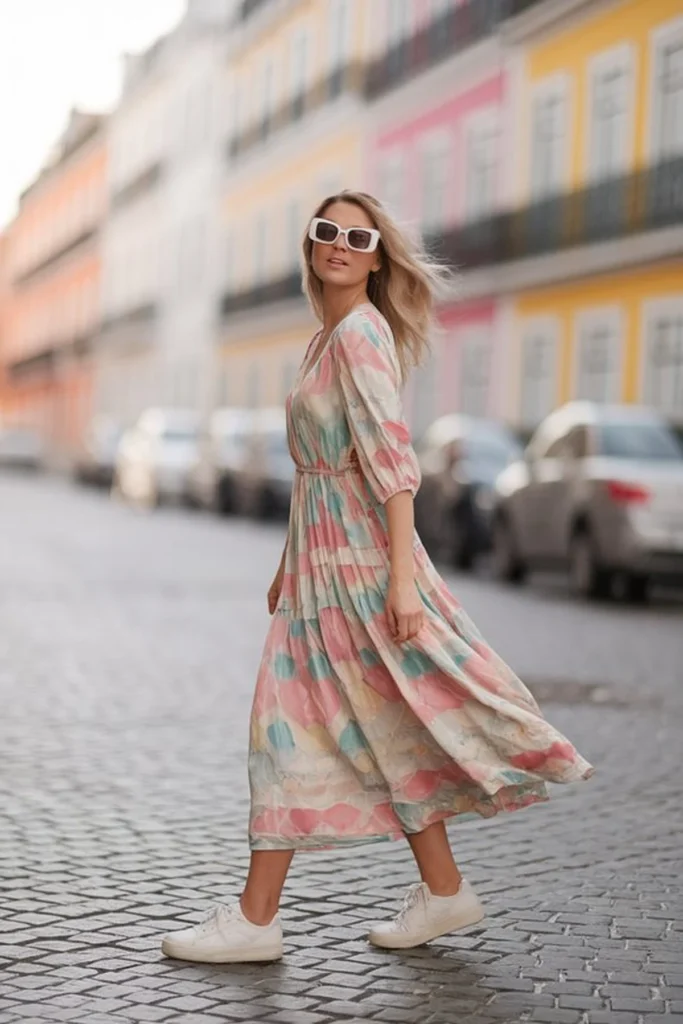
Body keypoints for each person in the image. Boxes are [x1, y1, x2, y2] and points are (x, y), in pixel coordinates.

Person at [161, 190, 593, 964]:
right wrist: (287, 564)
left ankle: (258, 919)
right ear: (311, 245)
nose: (340, 244)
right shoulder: (322, 341)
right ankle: (443, 890)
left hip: (359, 567)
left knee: (282, 725)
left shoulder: (360, 336)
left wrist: (400, 577)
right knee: (381, 722)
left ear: (375, 257)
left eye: (357, 238)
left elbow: (392, 463)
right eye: (326, 231)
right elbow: (316, 474)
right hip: (319, 569)